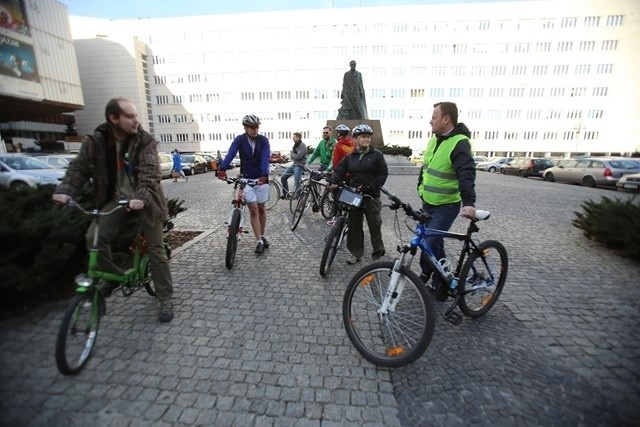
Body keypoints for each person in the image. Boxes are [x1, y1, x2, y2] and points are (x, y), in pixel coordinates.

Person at [52, 97, 174, 322]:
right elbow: (79, 168)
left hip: (145, 200)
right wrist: (66, 190)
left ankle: (165, 298)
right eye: (130, 116)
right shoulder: (96, 142)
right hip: (115, 200)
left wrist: (139, 197)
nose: (136, 120)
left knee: (156, 250)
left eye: (136, 115)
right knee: (93, 238)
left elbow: (150, 173)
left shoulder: (144, 141)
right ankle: (115, 277)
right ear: (113, 119)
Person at [417, 101, 476, 300]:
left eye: (434, 117)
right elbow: (425, 167)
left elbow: (466, 173)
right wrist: (420, 188)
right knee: (435, 244)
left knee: (428, 242)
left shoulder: (459, 142)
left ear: (446, 119)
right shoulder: (434, 140)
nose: (430, 121)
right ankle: (442, 280)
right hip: (428, 203)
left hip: (446, 205)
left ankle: (430, 278)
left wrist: (469, 202)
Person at [331, 124, 388, 264]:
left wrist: (370, 186)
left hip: (371, 195)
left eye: (368, 137)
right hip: (355, 195)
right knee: (354, 225)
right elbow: (339, 170)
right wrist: (334, 180)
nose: (366, 139)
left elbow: (383, 174)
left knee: (374, 224)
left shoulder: (377, 156)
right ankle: (356, 253)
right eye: (363, 136)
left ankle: (377, 253)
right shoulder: (351, 156)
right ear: (355, 139)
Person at [217, 114, 271, 255]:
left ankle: (263, 235)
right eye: (252, 127)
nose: (255, 130)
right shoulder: (240, 140)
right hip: (247, 179)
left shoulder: (263, 140)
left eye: (256, 127)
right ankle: (259, 241)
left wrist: (264, 174)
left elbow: (265, 156)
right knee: (253, 209)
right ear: (245, 127)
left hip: (261, 179)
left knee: (261, 208)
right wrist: (222, 169)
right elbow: (231, 153)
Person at [327, 124, 354, 225]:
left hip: (341, 175)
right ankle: (349, 218)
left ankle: (336, 217)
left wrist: (334, 173)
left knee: (336, 196)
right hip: (351, 175)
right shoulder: (352, 144)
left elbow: (335, 162)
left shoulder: (338, 145)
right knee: (349, 196)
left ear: (338, 134)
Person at [279, 132, 306, 199]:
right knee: (283, 178)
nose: (292, 138)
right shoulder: (294, 146)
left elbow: (299, 156)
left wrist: (292, 154)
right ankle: (286, 194)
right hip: (294, 164)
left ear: (298, 138)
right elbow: (293, 157)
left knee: (297, 181)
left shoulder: (303, 145)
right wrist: (293, 155)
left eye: (294, 137)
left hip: (299, 165)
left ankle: (299, 196)